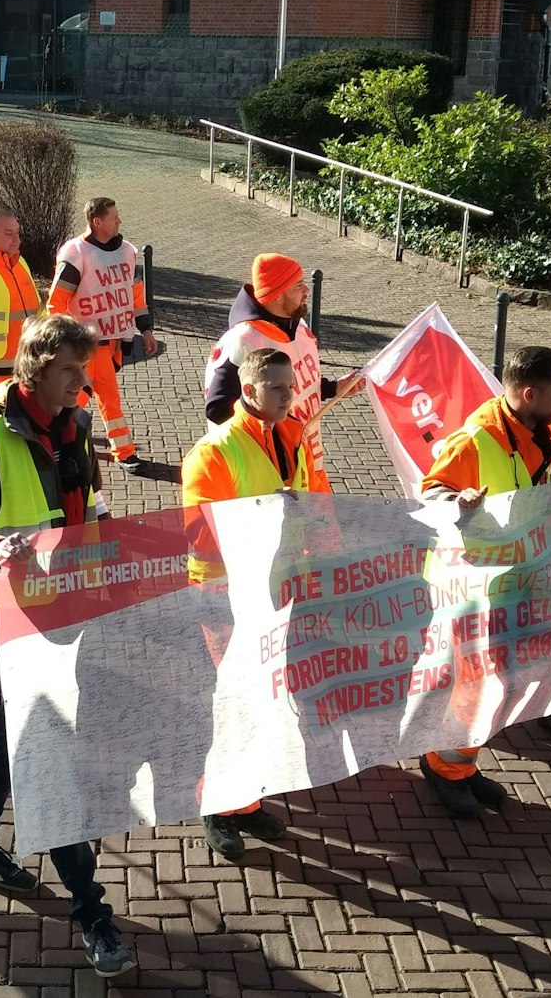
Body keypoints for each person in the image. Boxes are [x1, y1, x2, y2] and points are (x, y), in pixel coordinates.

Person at [0, 313, 135, 978]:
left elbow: (90, 505)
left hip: (68, 603)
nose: (85, 381)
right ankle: (91, 910)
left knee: (12, 733)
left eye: (86, 369)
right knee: (45, 748)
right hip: (11, 615)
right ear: (36, 368)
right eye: (73, 370)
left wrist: (113, 555)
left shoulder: (75, 425)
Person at [418, 346, 551, 818]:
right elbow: (429, 494)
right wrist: (459, 499)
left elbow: (529, 493)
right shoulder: (477, 440)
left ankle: (461, 762)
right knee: (477, 684)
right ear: (530, 393)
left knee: (498, 682)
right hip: (473, 587)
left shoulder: (532, 431)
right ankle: (444, 766)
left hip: (510, 578)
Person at [181, 347, 307, 861]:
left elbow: (307, 502)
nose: (288, 395)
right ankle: (218, 803)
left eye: (290, 386)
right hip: (223, 594)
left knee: (265, 699)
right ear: (248, 392)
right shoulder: (214, 453)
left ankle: (246, 799)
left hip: (275, 589)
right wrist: (268, 517)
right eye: (276, 388)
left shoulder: (288, 435)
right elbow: (199, 536)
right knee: (236, 703)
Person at [202, 252, 361, 491]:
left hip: (309, 457)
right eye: (298, 286)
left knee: (325, 526)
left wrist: (332, 388)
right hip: (278, 472)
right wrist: (274, 443)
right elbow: (218, 408)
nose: (307, 290)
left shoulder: (299, 328)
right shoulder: (244, 340)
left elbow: (300, 381)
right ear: (277, 294)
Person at [47, 197, 158, 471]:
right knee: (82, 399)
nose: (119, 221)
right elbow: (56, 302)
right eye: (114, 217)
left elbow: (135, 296)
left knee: (97, 398)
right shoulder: (77, 253)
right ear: (97, 222)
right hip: (85, 346)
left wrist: (146, 330)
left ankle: (118, 451)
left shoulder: (128, 251)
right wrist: (63, 341)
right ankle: (61, 447)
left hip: (110, 344)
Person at [0, 207, 41, 395]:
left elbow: (38, 310)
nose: (16, 239)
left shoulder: (20, 262)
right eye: (9, 233)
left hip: (28, 364)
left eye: (18, 232)